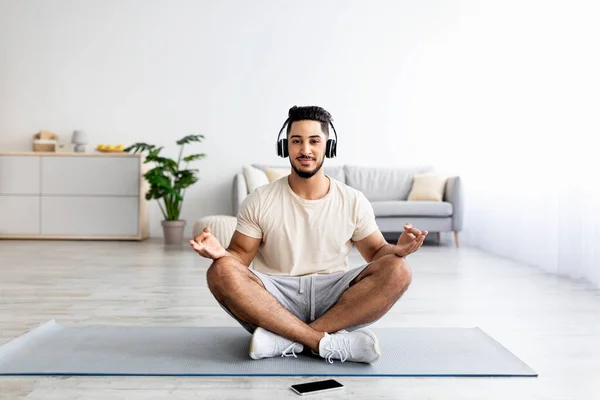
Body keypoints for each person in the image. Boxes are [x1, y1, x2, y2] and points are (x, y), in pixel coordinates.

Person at [190, 105, 428, 364]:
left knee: (399, 269)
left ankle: (286, 339)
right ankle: (322, 342)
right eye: (296, 141)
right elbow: (239, 257)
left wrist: (398, 250)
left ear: (329, 146)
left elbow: (376, 253)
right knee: (220, 270)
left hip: (335, 298)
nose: (305, 150)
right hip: (275, 298)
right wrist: (220, 253)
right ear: (285, 147)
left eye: (314, 141)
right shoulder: (259, 200)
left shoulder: (353, 200)